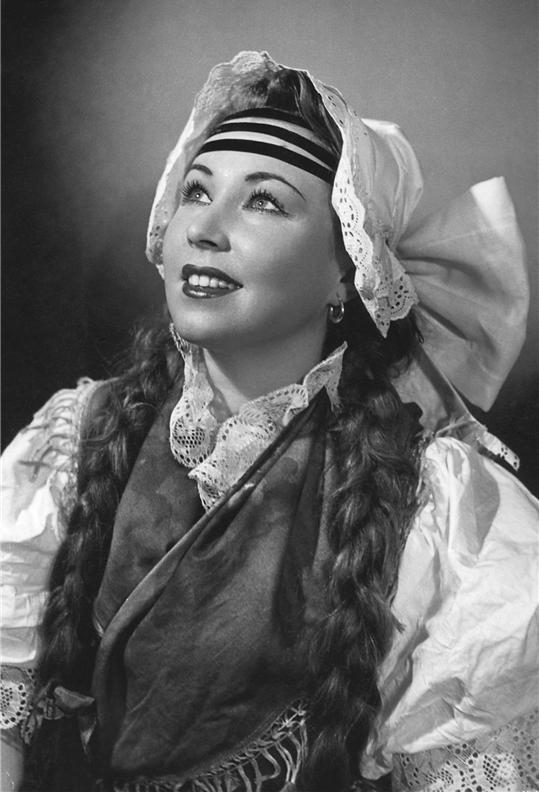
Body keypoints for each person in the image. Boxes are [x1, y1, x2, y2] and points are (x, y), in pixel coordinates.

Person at [1, 50, 537, 792]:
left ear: (347, 272)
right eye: (196, 191)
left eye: (265, 202)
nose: (206, 228)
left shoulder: (431, 510)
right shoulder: (76, 442)